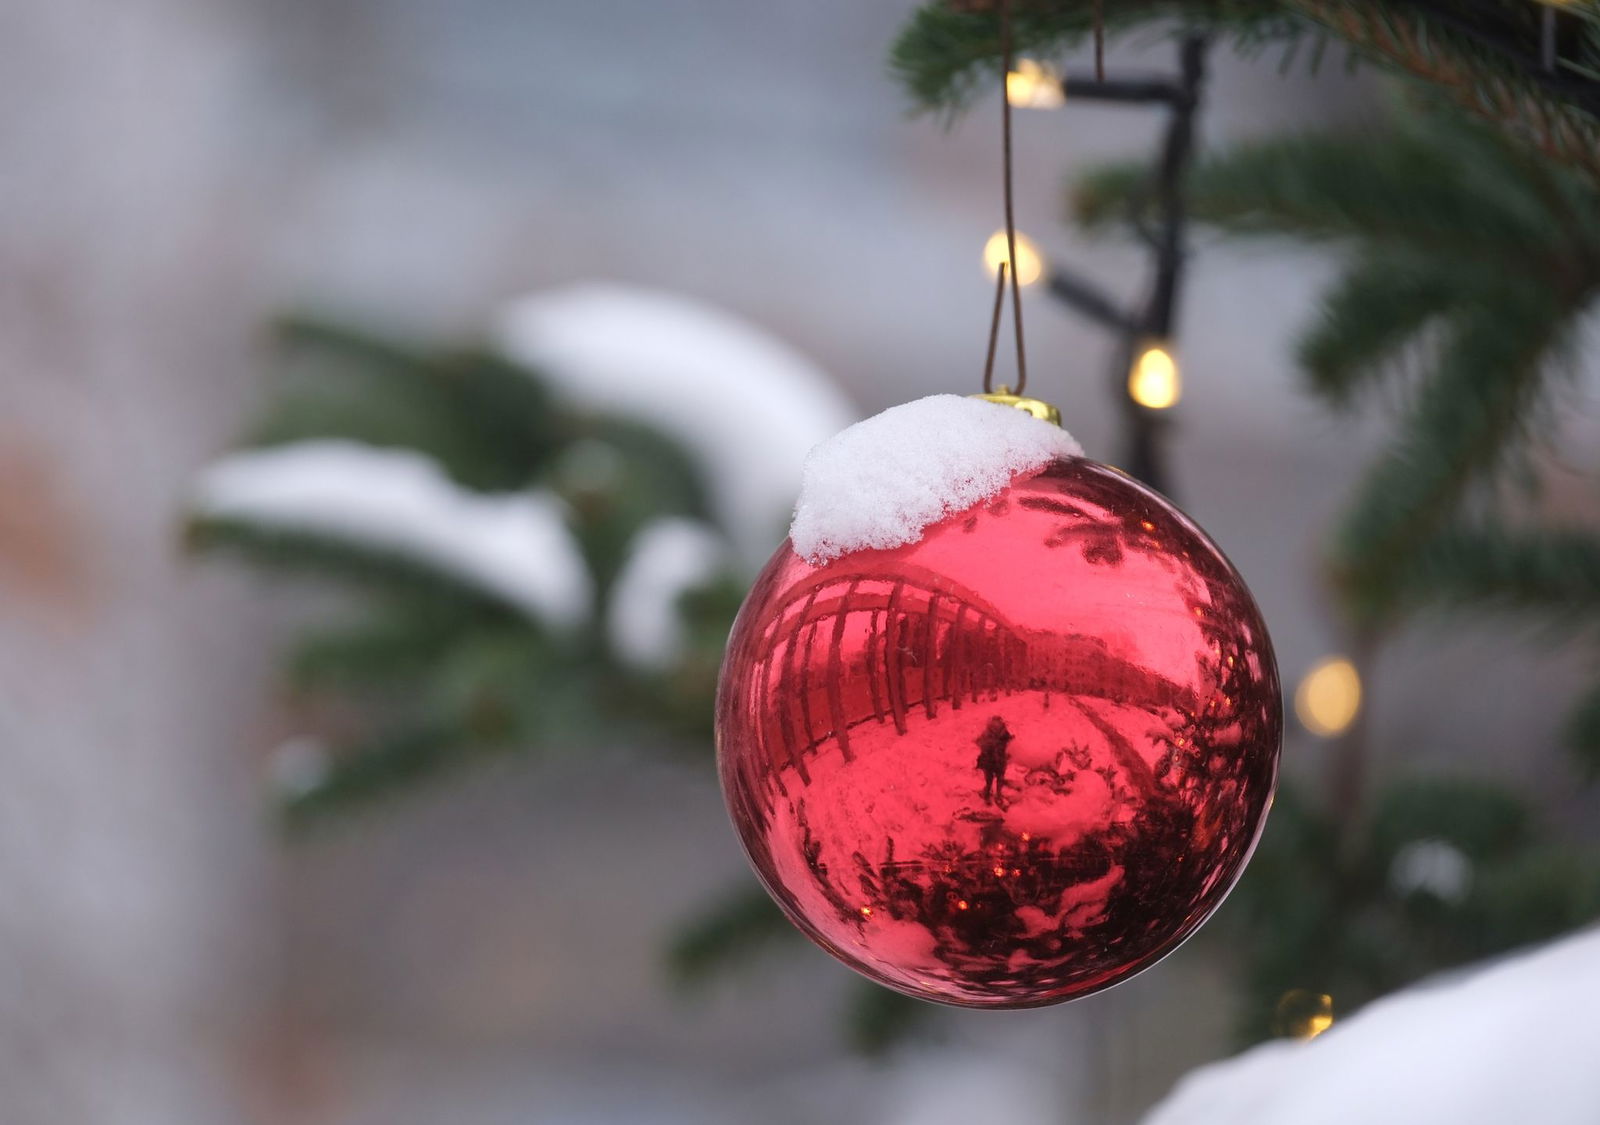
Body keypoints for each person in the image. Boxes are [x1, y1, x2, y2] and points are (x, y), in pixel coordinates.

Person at [975, 715, 1014, 806]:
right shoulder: (1005, 733)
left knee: (989, 778)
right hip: (1000, 760)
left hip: (989, 760)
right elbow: (1010, 744)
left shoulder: (987, 733)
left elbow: (980, 742)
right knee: (1000, 778)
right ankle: (998, 795)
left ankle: (987, 793)